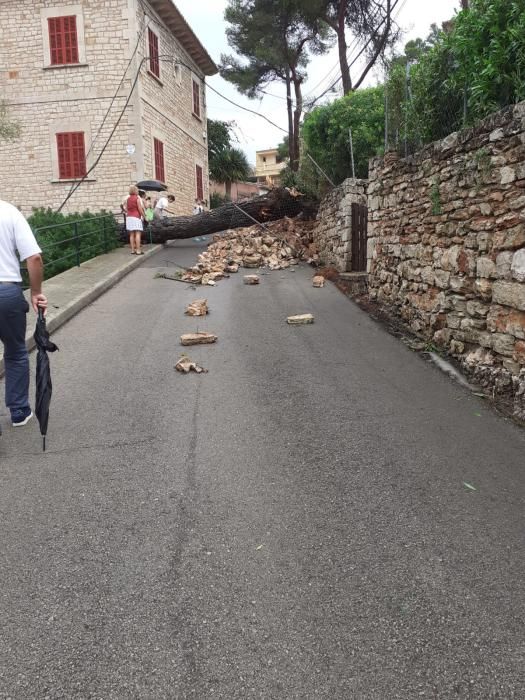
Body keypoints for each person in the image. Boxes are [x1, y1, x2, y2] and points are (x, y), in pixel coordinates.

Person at [0, 199, 48, 427]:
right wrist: (36, 291)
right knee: (15, 351)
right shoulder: (8, 212)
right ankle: (19, 410)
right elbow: (34, 257)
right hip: (6, 292)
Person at [124, 185, 145, 255]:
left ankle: (133, 250)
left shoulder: (128, 199)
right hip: (136, 217)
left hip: (129, 217)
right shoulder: (137, 199)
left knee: (131, 234)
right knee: (138, 234)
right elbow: (140, 209)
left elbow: (126, 209)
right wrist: (144, 216)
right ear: (136, 191)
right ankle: (138, 250)